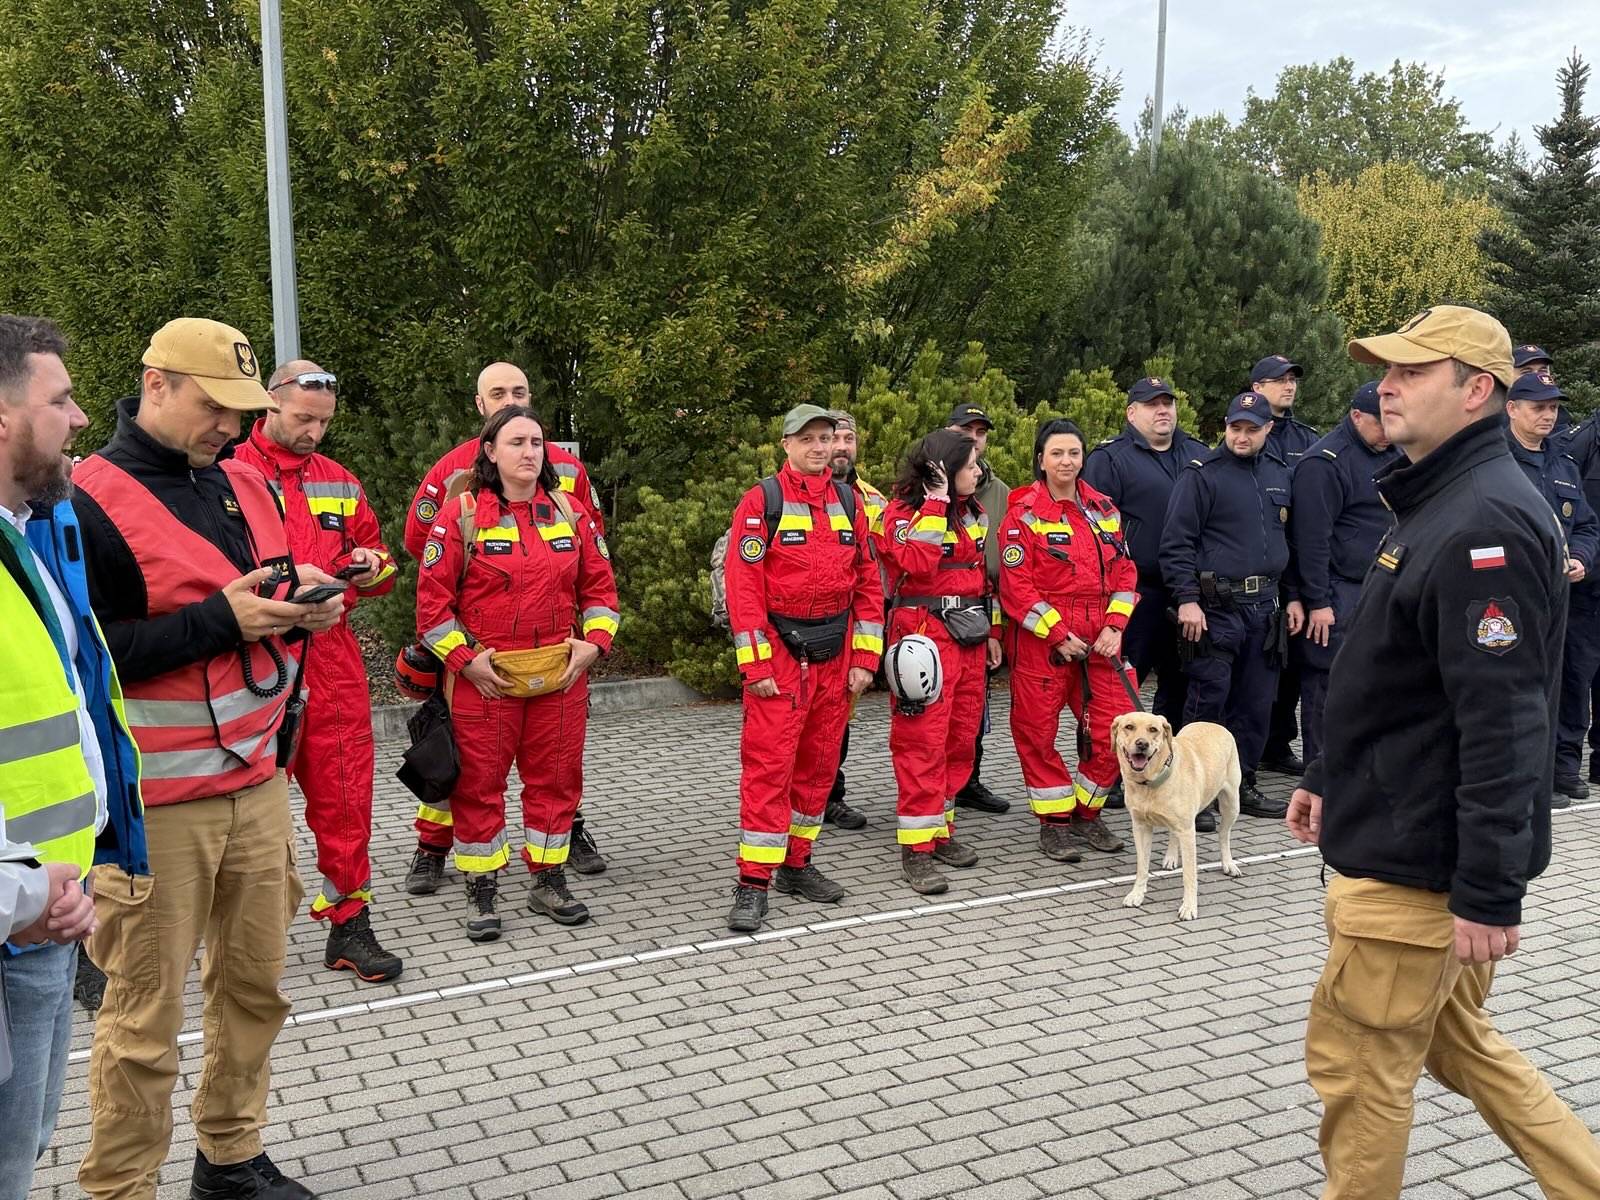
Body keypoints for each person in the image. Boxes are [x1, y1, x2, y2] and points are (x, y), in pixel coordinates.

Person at [1288, 303, 1600, 1200]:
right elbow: (1394, 680)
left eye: (1413, 371)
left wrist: (1491, 889)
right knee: (1467, 1052)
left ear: (1476, 391)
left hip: (1417, 869)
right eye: (1386, 369)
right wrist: (1323, 777)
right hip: (1400, 835)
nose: (1388, 384)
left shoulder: (1481, 523)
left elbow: (1505, 722)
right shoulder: (1440, 496)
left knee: (1360, 1076)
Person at [71, 317, 344, 1200]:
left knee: (255, 992)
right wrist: (223, 622)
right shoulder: (87, 500)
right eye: (212, 407)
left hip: (256, 784)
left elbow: (264, 588)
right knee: (143, 1021)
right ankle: (122, 1189)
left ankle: (229, 1160)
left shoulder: (238, 482)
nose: (229, 427)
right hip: (160, 807)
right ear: (156, 384)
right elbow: (87, 654)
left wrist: (305, 605)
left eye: (239, 410)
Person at [0, 315, 140, 1200]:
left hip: (47, 912)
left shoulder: (20, 533)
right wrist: (24, 896)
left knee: (26, 1150)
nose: (82, 417)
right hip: (19, 921)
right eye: (59, 400)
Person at [413, 405, 618, 939]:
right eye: (517, 443)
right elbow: (433, 608)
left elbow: (600, 592)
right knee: (479, 786)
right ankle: (482, 889)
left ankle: (547, 879)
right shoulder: (460, 515)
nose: (530, 453)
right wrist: (466, 662)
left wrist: (594, 645)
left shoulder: (570, 511)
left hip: (561, 676)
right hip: (486, 679)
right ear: (490, 452)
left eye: (536, 443)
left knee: (555, 782)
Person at [231, 361, 403, 982]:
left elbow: (384, 564)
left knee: (345, 794)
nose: (314, 432)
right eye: (303, 418)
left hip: (331, 656)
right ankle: (243, 937)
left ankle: (350, 926)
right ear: (267, 406)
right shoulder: (228, 474)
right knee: (243, 804)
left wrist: (367, 563)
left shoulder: (339, 482)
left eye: (324, 422)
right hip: (254, 656)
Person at [722, 405, 882, 931]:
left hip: (834, 657)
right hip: (781, 657)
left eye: (826, 438)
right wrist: (756, 664)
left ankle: (796, 863)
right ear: (786, 445)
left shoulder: (848, 501)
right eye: (807, 439)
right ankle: (753, 882)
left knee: (816, 769)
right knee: (770, 770)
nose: (819, 447)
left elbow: (867, 583)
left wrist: (864, 659)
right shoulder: (761, 502)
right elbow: (743, 590)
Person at [999, 419, 1138, 862]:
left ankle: (1087, 811)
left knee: (1118, 728)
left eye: (1074, 453)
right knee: (1036, 734)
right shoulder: (1023, 513)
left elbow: (1125, 573)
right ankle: (1054, 823)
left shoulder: (1104, 510)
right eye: (1057, 453)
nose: (1066, 462)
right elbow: (1017, 587)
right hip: (1044, 645)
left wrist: (1115, 627)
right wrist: (1058, 634)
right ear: (1040, 459)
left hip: (1101, 640)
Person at [1160, 391, 1302, 824]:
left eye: (1252, 429)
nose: (1242, 436)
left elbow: (1291, 543)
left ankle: (1243, 784)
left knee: (1256, 702)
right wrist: (1186, 600)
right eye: (1235, 428)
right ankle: (1193, 796)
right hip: (1215, 607)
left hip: (1266, 607)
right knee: (1207, 702)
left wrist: (1294, 595)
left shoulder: (1281, 474)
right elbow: (1176, 543)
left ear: (1268, 429)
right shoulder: (1203, 475)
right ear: (1225, 426)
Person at [879, 429, 996, 893]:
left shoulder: (975, 513)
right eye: (968, 465)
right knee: (921, 743)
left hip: (967, 634)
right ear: (941, 471)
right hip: (923, 635)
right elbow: (918, 563)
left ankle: (940, 829)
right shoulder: (900, 514)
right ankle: (917, 850)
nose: (978, 471)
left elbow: (982, 579)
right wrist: (934, 503)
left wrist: (993, 633)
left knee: (960, 738)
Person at [1081, 376, 1209, 738]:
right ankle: (1117, 774)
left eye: (1168, 403)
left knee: (1181, 683)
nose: (1163, 410)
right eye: (1153, 404)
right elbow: (1097, 535)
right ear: (1132, 412)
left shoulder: (1198, 454)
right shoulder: (1109, 460)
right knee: (1124, 684)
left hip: (1188, 593)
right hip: (1137, 594)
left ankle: (1169, 767)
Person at [1287, 381, 1402, 770]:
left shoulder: (1394, 452)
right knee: (1327, 683)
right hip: (1338, 590)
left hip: (1382, 586)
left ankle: (1361, 764)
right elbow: (1311, 540)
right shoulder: (1325, 463)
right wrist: (1317, 601)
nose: (1389, 430)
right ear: (1356, 416)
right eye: (1380, 422)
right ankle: (1322, 771)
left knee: (1375, 679)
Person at [1503, 370, 1599, 804]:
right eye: (1538, 407)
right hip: (1507, 599)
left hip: (1560, 599)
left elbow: (1585, 525)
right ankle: (1519, 778)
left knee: (1562, 685)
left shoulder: (1563, 463)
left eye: (1553, 408)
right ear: (1512, 409)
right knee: (1513, 691)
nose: (1548, 415)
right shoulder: (1494, 460)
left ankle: (1555, 772)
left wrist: (1580, 557)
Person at [1251, 354, 1319, 777]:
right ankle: (1251, 749)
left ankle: (1277, 744)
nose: (1288, 386)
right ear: (1256, 387)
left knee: (1292, 664)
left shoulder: (1307, 438)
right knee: (1259, 667)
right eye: (1278, 380)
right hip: (1257, 563)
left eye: (1292, 379)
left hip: (1297, 557)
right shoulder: (1247, 431)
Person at [821, 409, 887, 832]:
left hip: (853, 630)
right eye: (833, 438)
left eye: (848, 438)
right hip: (800, 631)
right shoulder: (774, 496)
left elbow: (882, 569)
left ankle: (830, 795)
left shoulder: (874, 500)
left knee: (838, 720)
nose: (841, 447)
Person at [947, 402, 1012, 816]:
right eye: (964, 429)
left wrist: (996, 630)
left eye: (981, 431)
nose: (974, 437)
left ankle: (969, 781)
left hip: (983, 607)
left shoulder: (1000, 491)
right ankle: (939, 793)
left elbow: (1006, 562)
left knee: (976, 709)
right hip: (937, 616)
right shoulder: (928, 488)